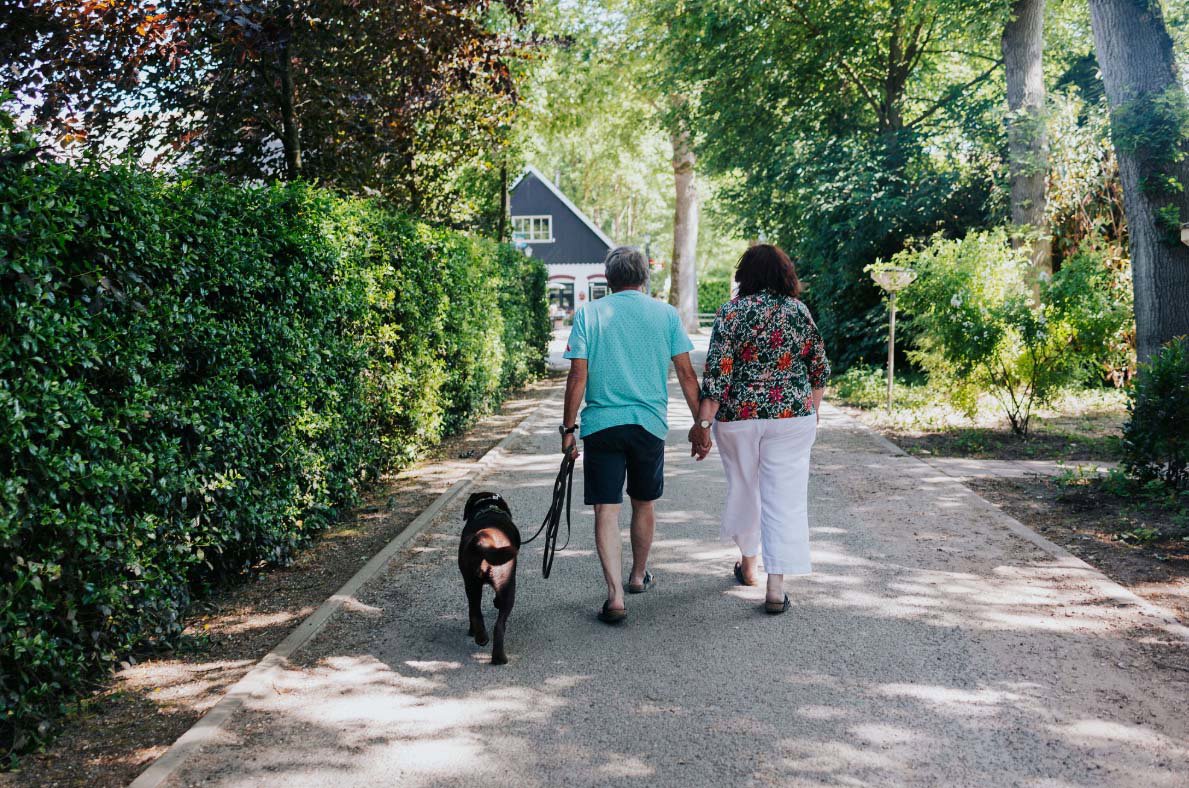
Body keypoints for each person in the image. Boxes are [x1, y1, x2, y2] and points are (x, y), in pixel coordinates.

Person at [561, 246, 704, 624]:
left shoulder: (589, 314)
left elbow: (577, 376)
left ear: (609, 278)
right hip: (648, 425)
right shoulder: (665, 314)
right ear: (643, 277)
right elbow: (687, 375)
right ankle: (638, 576)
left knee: (606, 510)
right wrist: (700, 425)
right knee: (643, 503)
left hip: (602, 426)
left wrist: (568, 430)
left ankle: (615, 596)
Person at [689, 244, 830, 614]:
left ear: (744, 275)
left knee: (745, 489)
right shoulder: (798, 311)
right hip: (792, 418)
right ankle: (775, 587)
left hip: (739, 418)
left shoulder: (731, 313)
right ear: (785, 274)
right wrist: (811, 412)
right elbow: (819, 369)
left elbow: (717, 376)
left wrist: (703, 424)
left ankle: (749, 565)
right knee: (785, 499)